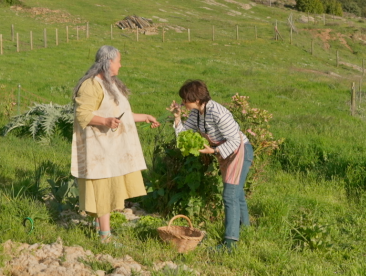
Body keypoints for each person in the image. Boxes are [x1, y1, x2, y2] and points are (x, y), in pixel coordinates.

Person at [72, 45, 160, 243]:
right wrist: (105, 121)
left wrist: (145, 117)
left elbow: (122, 115)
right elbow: (82, 114)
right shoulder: (91, 85)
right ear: (109, 62)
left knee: (108, 187)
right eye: (118, 61)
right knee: (103, 188)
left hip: (111, 148)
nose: (120, 65)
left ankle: (97, 227)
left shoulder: (111, 85)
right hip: (99, 148)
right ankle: (105, 237)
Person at [172, 79, 254, 251]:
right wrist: (178, 118)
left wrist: (214, 151)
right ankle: (246, 230)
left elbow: (234, 139)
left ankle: (230, 243)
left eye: (184, 99)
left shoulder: (218, 113)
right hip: (225, 154)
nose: (183, 102)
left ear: (195, 98)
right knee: (237, 194)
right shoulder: (197, 113)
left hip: (240, 151)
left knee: (230, 195)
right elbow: (184, 135)